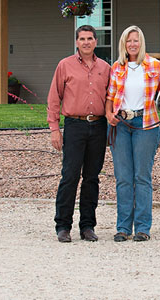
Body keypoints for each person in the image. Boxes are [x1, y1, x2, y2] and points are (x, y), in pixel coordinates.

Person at [47, 24, 111, 243]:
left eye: (90, 38)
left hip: (99, 126)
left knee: (92, 178)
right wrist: (55, 129)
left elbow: (111, 98)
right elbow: (54, 98)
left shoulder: (105, 67)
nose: (86, 42)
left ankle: (87, 226)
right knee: (70, 175)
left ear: (95, 42)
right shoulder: (64, 66)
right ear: (77, 42)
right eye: (82, 39)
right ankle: (63, 226)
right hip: (75, 125)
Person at [105, 25, 160, 242]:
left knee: (142, 177)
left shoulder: (155, 66)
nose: (132, 44)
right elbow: (110, 97)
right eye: (128, 41)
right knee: (123, 177)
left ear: (141, 43)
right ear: (123, 44)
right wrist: (108, 115)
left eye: (136, 40)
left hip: (146, 123)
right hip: (121, 124)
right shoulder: (117, 67)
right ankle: (123, 227)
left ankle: (142, 228)